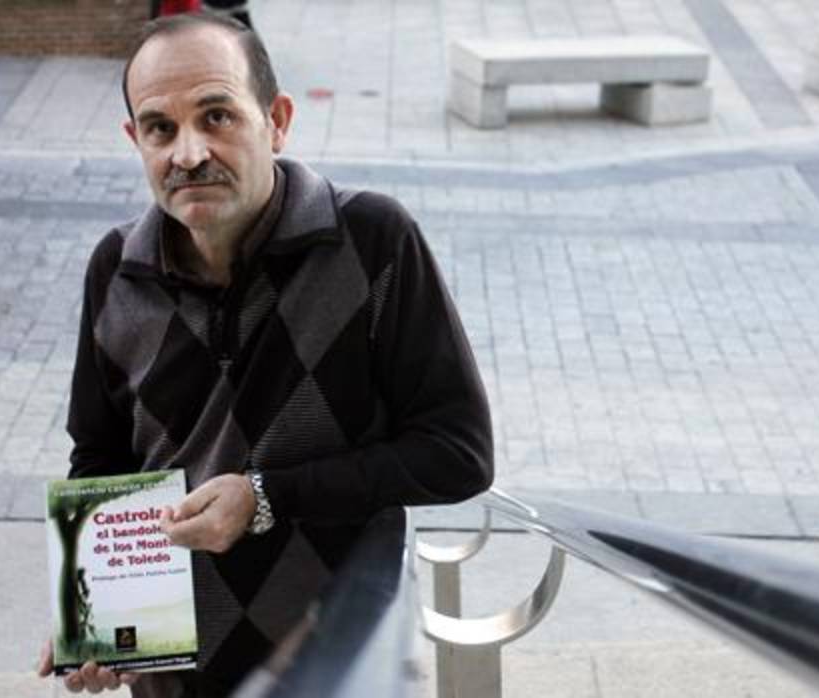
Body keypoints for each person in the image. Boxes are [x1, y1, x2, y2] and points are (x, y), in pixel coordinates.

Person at [36, 12, 493, 697]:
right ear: (136, 140)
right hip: (176, 674)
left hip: (330, 663)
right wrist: (98, 614)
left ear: (276, 121)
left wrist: (263, 498)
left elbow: (458, 452)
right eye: (160, 128)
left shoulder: (370, 242)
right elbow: (101, 459)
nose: (188, 153)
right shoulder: (117, 268)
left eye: (217, 116)